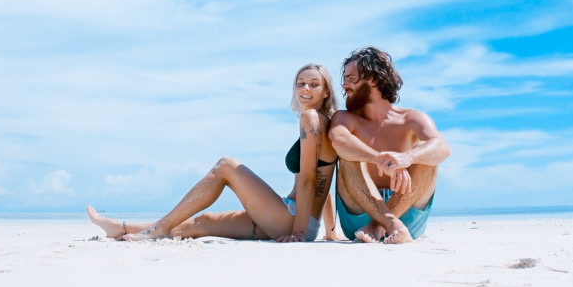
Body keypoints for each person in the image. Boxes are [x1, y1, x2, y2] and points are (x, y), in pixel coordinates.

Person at [87, 64, 340, 242]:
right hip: (299, 219)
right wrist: (326, 230)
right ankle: (119, 228)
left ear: (326, 91)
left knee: (226, 165)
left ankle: (159, 228)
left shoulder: (310, 119)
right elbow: (324, 182)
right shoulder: (324, 123)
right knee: (203, 223)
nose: (305, 88)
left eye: (314, 84)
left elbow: (308, 180)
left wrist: (298, 233)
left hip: (293, 220)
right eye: (301, 83)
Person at [329, 47, 450, 244]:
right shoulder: (344, 118)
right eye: (344, 79)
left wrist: (408, 157)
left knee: (428, 157)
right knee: (349, 156)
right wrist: (383, 160)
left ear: (374, 80)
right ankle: (389, 224)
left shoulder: (412, 118)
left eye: (351, 79)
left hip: (406, 211)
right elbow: (339, 140)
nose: (344, 85)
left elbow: (442, 147)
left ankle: (379, 226)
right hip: (359, 213)